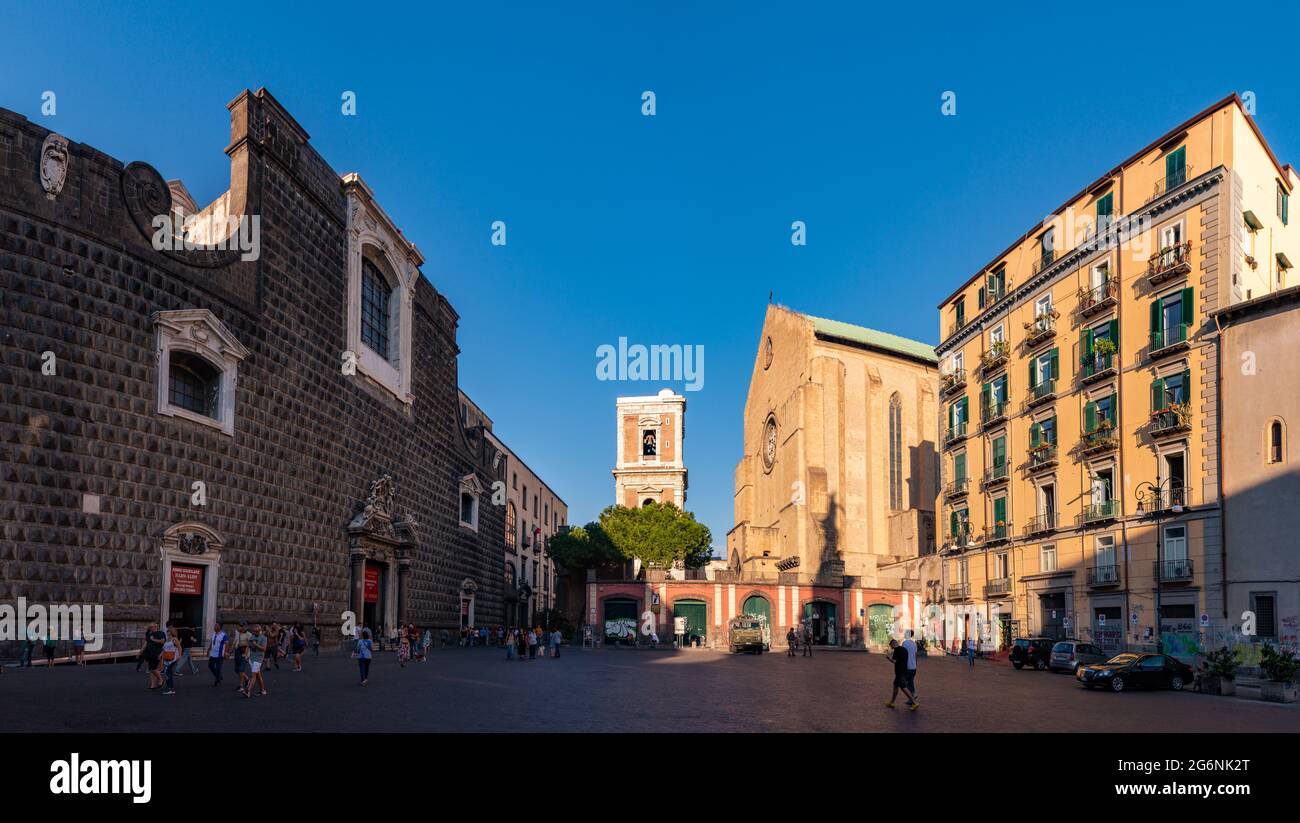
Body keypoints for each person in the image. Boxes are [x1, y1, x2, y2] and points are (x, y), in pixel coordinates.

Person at [885, 639, 917, 710]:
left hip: (900, 672)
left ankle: (914, 702)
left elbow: (894, 661)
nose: (892, 648)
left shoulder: (897, 650)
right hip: (904, 670)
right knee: (895, 686)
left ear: (893, 644)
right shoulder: (904, 650)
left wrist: (888, 658)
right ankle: (892, 702)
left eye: (891, 646)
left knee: (903, 688)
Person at [244, 624, 268, 698]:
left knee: (253, 675)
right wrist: (246, 655)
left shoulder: (263, 638)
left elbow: (264, 649)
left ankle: (248, 690)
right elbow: (248, 646)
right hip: (252, 658)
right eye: (254, 631)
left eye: (257, 631)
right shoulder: (252, 637)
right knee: (258, 675)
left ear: (260, 631)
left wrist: (256, 645)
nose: (255, 632)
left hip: (258, 659)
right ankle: (263, 690)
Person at [142, 623, 166, 688]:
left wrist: (153, 639)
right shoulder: (150, 634)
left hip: (157, 653)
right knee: (151, 669)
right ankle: (153, 684)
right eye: (149, 627)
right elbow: (147, 642)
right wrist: (142, 651)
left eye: (151, 627)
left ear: (155, 627)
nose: (150, 628)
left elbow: (162, 641)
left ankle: (161, 680)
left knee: (153, 669)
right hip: (150, 653)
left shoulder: (160, 633)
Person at [160, 629, 180, 695]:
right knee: (169, 672)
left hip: (173, 658)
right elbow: (164, 649)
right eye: (167, 632)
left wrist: (179, 655)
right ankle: (170, 687)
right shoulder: (167, 640)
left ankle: (170, 687)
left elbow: (179, 647)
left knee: (167, 672)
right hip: (167, 658)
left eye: (169, 632)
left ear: (171, 633)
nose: (167, 633)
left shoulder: (174, 639)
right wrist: (160, 655)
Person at [207, 622, 228, 686]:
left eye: (216, 625)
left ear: (219, 627)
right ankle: (218, 676)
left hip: (219, 654)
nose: (214, 627)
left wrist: (225, 653)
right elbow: (211, 642)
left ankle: (217, 681)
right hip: (213, 654)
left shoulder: (224, 635)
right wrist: (208, 650)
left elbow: (227, 644)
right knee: (210, 666)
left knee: (218, 668)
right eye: (215, 625)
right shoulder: (213, 634)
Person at [234, 622, 251, 693]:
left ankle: (241, 686)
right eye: (237, 626)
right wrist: (229, 652)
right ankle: (247, 679)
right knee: (237, 670)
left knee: (241, 670)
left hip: (244, 653)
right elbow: (235, 642)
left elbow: (249, 645)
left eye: (239, 627)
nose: (237, 628)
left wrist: (245, 654)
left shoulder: (248, 634)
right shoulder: (237, 633)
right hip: (237, 652)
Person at [902, 629, 919, 700]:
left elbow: (903, 655)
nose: (904, 634)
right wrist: (916, 664)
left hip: (907, 666)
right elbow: (915, 655)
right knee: (910, 681)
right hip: (913, 667)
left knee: (905, 683)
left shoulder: (905, 643)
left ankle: (913, 693)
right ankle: (911, 698)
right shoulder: (914, 643)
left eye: (905, 633)